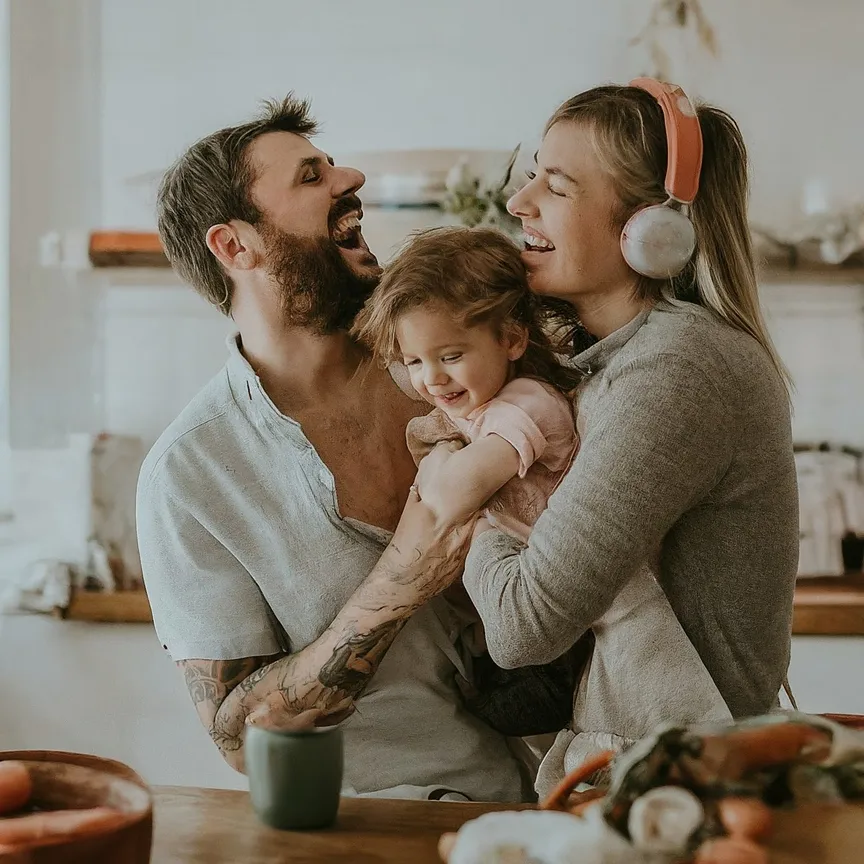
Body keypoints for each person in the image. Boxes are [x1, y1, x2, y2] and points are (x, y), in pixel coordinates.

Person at [409, 79, 799, 793]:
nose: (518, 204)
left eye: (555, 186)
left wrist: (474, 474)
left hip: (691, 788)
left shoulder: (676, 370)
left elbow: (525, 627)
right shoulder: (621, 361)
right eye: (531, 177)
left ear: (650, 231)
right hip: (660, 773)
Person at [136, 95, 526, 802]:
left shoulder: (452, 366)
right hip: (384, 831)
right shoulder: (189, 474)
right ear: (235, 246)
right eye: (311, 177)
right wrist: (406, 572)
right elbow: (238, 737)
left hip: (577, 795)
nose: (351, 178)